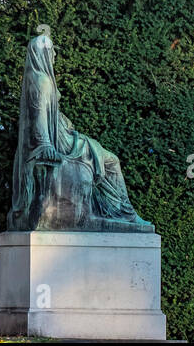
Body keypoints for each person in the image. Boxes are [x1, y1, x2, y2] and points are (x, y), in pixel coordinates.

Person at [8, 32, 151, 231]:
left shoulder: (35, 78)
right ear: (42, 53)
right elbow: (39, 115)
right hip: (61, 141)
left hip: (62, 135)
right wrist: (45, 144)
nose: (55, 55)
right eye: (51, 50)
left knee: (107, 161)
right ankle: (125, 213)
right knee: (112, 161)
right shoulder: (42, 81)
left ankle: (118, 212)